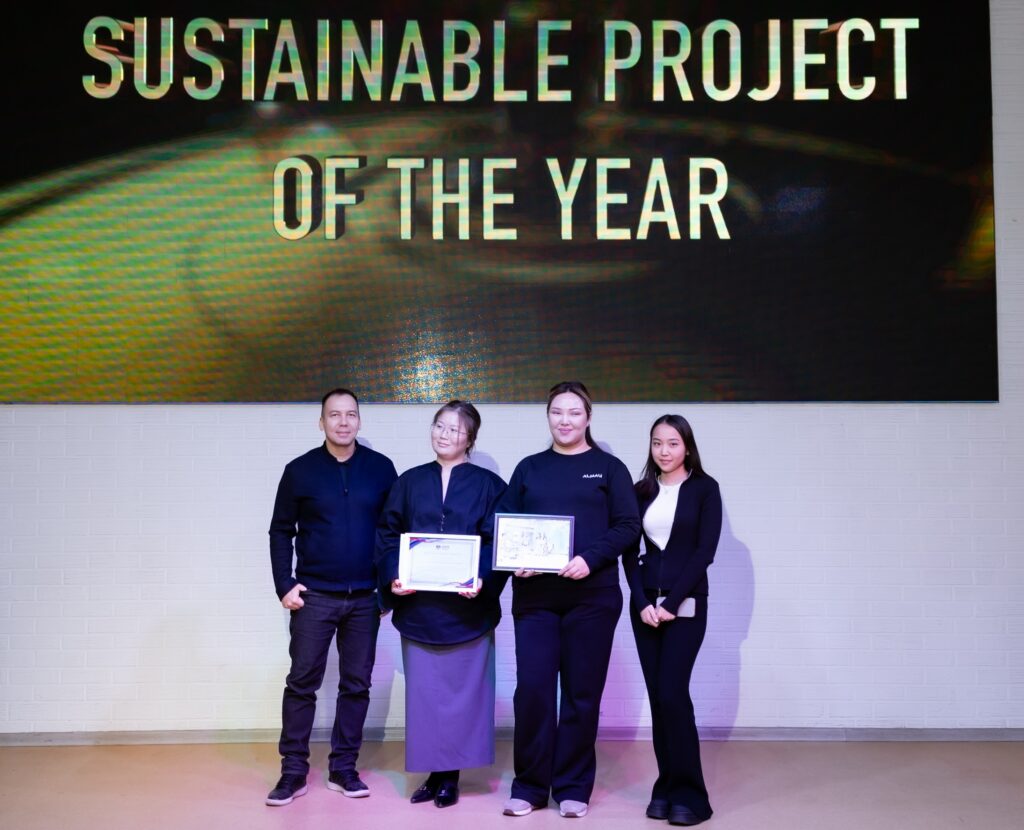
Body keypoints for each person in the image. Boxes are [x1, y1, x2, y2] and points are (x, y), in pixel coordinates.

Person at [496, 380, 641, 819]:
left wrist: (589, 559)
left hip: (592, 599)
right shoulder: (529, 468)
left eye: (574, 412)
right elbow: (506, 524)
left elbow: (628, 525)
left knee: (581, 694)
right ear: (548, 416)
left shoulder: (609, 469)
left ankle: (573, 787)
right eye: (557, 412)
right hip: (535, 600)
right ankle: (529, 787)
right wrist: (514, 560)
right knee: (533, 692)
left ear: (588, 417)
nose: (565, 420)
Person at [265, 388, 398, 806]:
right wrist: (284, 584)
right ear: (321, 422)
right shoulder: (300, 471)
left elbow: (393, 532)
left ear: (359, 420)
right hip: (314, 597)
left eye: (350, 414)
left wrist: (386, 591)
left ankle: (343, 768)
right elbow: (280, 530)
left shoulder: (381, 469)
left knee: (356, 685)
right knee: (302, 683)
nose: (343, 422)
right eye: (334, 415)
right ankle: (292, 772)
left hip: (364, 599)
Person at [375, 401, 507, 809]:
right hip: (420, 610)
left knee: (463, 697)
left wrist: (481, 579)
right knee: (426, 698)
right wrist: (394, 577)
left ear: (470, 438)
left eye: (455, 429)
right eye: (439, 426)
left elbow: (498, 540)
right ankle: (434, 773)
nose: (444, 435)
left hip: (467, 611)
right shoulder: (409, 481)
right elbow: (387, 533)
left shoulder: (490, 485)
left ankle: (450, 776)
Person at [622, 415, 722, 827]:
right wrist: (641, 601)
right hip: (645, 607)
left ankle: (691, 795)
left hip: (686, 606)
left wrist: (673, 601)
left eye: (673, 443)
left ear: (687, 447)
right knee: (659, 700)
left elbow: (704, 552)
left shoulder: (705, 489)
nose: (664, 451)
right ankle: (664, 788)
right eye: (657, 443)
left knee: (673, 694)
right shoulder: (641, 491)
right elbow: (629, 553)